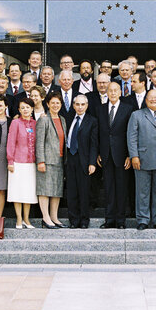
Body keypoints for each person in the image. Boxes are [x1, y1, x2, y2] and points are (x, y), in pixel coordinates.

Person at [127, 89, 156, 230]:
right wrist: (134, 156)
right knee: (142, 192)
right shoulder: (137, 115)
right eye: (150, 98)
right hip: (142, 159)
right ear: (146, 100)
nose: (153, 100)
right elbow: (131, 137)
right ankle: (143, 219)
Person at [97, 82, 134, 229]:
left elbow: (131, 134)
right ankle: (109, 219)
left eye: (115, 91)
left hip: (122, 155)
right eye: (110, 90)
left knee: (121, 188)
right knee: (108, 188)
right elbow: (98, 133)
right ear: (106, 92)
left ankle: (120, 221)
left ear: (120, 93)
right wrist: (98, 152)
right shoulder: (99, 109)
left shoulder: (128, 109)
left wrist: (129, 155)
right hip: (105, 155)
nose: (112, 93)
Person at [65, 95, 98, 229]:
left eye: (82, 104)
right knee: (71, 191)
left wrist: (92, 162)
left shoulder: (92, 121)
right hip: (70, 158)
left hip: (84, 159)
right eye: (77, 104)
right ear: (73, 105)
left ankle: (84, 220)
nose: (80, 107)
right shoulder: (68, 119)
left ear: (87, 105)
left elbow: (94, 143)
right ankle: (74, 220)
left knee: (84, 191)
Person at [35, 93, 67, 228]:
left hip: (59, 159)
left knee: (57, 190)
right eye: (52, 103)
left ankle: (54, 217)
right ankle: (45, 217)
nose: (55, 105)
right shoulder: (44, 119)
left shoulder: (63, 119)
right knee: (45, 189)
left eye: (58, 103)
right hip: (46, 160)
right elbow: (39, 142)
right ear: (47, 104)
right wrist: (40, 160)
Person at [7, 98, 38, 229]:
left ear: (32, 109)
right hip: (18, 162)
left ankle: (27, 219)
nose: (25, 110)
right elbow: (11, 142)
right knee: (17, 191)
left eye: (28, 107)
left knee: (28, 192)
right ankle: (19, 218)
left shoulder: (36, 124)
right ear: (19, 110)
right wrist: (10, 160)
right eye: (23, 107)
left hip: (31, 162)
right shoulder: (15, 123)